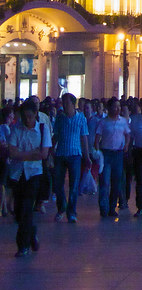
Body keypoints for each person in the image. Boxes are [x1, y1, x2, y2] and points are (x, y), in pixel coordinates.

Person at [7, 99, 52, 257]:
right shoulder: (16, 129)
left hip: (34, 174)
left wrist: (22, 155)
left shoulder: (42, 128)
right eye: (24, 117)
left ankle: (23, 246)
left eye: (30, 117)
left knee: (27, 207)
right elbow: (12, 152)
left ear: (35, 115)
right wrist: (31, 154)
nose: (27, 120)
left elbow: (43, 154)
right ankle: (32, 232)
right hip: (17, 174)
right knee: (19, 212)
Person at [52, 92, 90, 222]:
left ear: (73, 104)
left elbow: (84, 137)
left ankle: (72, 212)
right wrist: (50, 150)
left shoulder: (81, 118)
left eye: (66, 103)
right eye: (63, 103)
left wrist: (87, 156)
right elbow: (55, 136)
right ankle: (61, 207)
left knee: (74, 185)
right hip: (60, 154)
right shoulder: (60, 118)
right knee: (58, 184)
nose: (64, 106)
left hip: (75, 155)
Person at [94, 96, 131, 218]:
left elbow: (127, 135)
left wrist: (126, 145)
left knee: (116, 182)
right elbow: (97, 136)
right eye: (115, 106)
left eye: (119, 106)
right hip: (106, 154)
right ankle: (103, 208)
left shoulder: (123, 121)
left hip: (118, 154)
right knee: (105, 182)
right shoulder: (103, 122)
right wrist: (97, 149)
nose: (117, 109)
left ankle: (112, 207)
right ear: (109, 108)